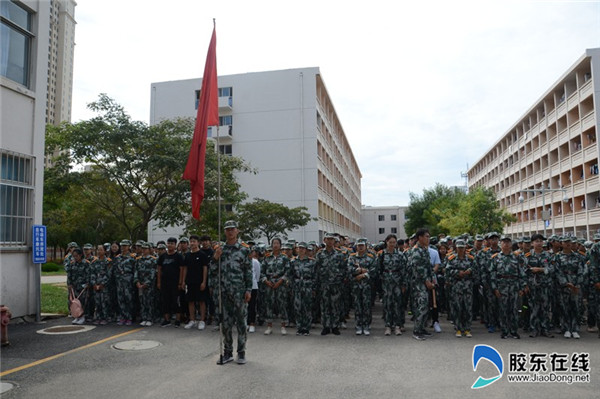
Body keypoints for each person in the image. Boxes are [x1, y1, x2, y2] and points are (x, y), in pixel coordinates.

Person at [212, 220, 252, 365]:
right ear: (224, 231)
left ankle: (241, 352)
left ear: (237, 231)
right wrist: (215, 258)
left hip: (239, 292)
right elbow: (212, 271)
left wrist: (248, 289)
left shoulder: (244, 249)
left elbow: (248, 271)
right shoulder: (219, 249)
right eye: (227, 229)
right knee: (226, 323)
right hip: (224, 292)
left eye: (232, 229)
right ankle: (227, 352)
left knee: (241, 322)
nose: (230, 232)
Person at [490, 236, 527, 339]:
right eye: (504, 242)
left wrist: (522, 287)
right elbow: (492, 274)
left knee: (514, 309)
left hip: (514, 286)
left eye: (508, 242)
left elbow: (522, 273)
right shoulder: (496, 257)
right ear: (500, 244)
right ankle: (505, 331)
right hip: (502, 286)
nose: (506, 244)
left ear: (511, 244)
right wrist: (495, 288)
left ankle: (514, 331)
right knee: (503, 309)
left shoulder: (517, 257)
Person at [315, 233, 347, 336]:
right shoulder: (319, 254)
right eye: (328, 239)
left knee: (335, 305)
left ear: (334, 241)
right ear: (324, 240)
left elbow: (343, 268)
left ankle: (334, 326)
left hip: (335, 284)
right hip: (324, 284)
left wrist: (339, 279)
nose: (329, 241)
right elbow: (317, 270)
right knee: (324, 306)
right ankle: (326, 326)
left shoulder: (339, 254)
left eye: (331, 239)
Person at [525, 234, 555, 338]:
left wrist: (540, 269)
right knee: (534, 308)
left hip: (545, 285)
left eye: (541, 241)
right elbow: (523, 271)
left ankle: (545, 329)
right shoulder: (527, 256)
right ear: (532, 243)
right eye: (536, 241)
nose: (539, 243)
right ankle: (534, 329)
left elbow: (552, 269)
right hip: (532, 286)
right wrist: (525, 285)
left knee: (545, 308)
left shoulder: (548, 255)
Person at [555, 237, 584, 338]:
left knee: (576, 307)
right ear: (561, 244)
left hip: (575, 285)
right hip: (564, 286)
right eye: (565, 242)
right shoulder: (557, 257)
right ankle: (566, 328)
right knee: (564, 307)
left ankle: (575, 329)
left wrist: (576, 284)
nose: (567, 244)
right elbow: (557, 271)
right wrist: (566, 283)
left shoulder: (578, 256)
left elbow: (581, 271)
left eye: (569, 242)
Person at [260, 237, 291, 335]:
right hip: (269, 284)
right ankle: (269, 326)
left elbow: (288, 271)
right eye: (274, 243)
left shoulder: (284, 258)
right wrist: (266, 281)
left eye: (277, 243)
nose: (275, 245)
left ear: (280, 245)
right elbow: (262, 272)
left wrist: (281, 281)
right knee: (269, 304)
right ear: (271, 245)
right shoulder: (267, 257)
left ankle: (283, 326)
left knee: (282, 304)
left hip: (280, 284)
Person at [408, 228, 434, 340]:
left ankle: (422, 328)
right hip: (418, 283)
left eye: (429, 236)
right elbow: (418, 268)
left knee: (426, 305)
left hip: (426, 281)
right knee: (421, 305)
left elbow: (428, 267)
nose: (428, 239)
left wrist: (432, 279)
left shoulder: (424, 249)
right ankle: (416, 330)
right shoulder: (416, 251)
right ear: (420, 238)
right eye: (426, 236)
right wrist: (427, 281)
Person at [445, 239, 475, 337]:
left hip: (467, 286)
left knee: (468, 308)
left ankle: (467, 329)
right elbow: (448, 271)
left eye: (462, 248)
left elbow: (476, 269)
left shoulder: (470, 258)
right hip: (457, 286)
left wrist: (470, 271)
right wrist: (457, 273)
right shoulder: (452, 258)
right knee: (457, 307)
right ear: (456, 248)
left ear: (465, 248)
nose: (461, 250)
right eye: (459, 248)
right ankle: (458, 328)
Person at [378, 234, 407, 336]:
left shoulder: (400, 255)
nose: (392, 244)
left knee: (397, 305)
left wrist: (403, 284)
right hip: (386, 283)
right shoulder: (382, 255)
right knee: (387, 305)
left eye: (394, 242)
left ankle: (397, 326)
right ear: (386, 242)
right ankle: (388, 326)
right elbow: (379, 269)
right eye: (390, 242)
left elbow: (403, 270)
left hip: (397, 282)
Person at [348, 238, 376, 335]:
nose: (360, 247)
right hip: (356, 285)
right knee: (357, 306)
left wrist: (363, 275)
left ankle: (366, 325)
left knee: (366, 305)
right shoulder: (352, 257)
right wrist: (360, 271)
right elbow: (349, 270)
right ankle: (359, 325)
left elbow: (374, 271)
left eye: (362, 245)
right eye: (359, 245)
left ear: (365, 246)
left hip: (367, 285)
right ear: (356, 246)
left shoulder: (370, 257)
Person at [181, 235, 209, 330]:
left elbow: (205, 268)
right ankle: (192, 320)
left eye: (194, 241)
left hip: (200, 281)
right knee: (190, 301)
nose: (192, 243)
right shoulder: (188, 255)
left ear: (198, 243)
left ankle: (202, 320)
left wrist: (204, 282)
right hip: (190, 281)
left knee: (201, 301)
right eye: (191, 241)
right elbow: (185, 269)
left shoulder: (202, 255)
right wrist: (183, 281)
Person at [157, 237, 185, 328]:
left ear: (175, 245)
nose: (170, 245)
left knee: (175, 301)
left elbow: (182, 269)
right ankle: (167, 319)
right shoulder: (162, 256)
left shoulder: (179, 256)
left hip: (175, 283)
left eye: (172, 243)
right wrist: (159, 282)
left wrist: (180, 282)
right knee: (165, 301)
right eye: (168, 243)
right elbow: (159, 270)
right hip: (165, 283)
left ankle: (177, 319)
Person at [290, 242, 316, 335]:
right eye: (299, 248)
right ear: (297, 249)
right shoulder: (293, 261)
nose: (301, 250)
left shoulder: (311, 262)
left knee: (307, 308)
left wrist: (313, 288)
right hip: (297, 287)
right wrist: (291, 288)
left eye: (303, 248)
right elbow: (291, 276)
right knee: (297, 308)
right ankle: (299, 327)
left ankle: (306, 328)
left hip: (307, 287)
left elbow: (314, 276)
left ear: (306, 250)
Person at [135, 243, 157, 327]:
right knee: (142, 301)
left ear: (149, 249)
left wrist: (147, 283)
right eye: (142, 248)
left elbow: (153, 272)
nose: (144, 250)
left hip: (149, 284)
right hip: (140, 284)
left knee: (149, 301)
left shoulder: (153, 259)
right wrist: (137, 281)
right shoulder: (138, 259)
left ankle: (150, 318)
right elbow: (136, 271)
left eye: (145, 249)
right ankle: (144, 318)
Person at [89, 244, 112, 325]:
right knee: (97, 302)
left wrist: (102, 284)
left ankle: (106, 317)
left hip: (104, 286)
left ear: (105, 251)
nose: (99, 251)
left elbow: (108, 274)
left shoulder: (108, 261)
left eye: (101, 250)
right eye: (98, 250)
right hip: (96, 285)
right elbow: (92, 274)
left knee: (104, 301)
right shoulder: (94, 262)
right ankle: (98, 317)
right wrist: (94, 284)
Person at [67, 248, 90, 325]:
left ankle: (82, 317)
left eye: (76, 256)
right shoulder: (72, 263)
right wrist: (69, 284)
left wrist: (87, 284)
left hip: (83, 287)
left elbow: (89, 274)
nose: (75, 258)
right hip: (74, 286)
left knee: (82, 302)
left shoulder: (86, 263)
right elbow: (69, 275)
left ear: (80, 255)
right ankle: (76, 316)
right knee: (75, 303)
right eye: (74, 256)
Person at [247, 247, 262, 333]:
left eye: (251, 252)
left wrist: (255, 282)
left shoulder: (255, 262)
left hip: (253, 286)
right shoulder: (243, 261)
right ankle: (246, 323)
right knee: (245, 306)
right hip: (244, 287)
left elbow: (258, 274)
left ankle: (252, 323)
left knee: (252, 305)